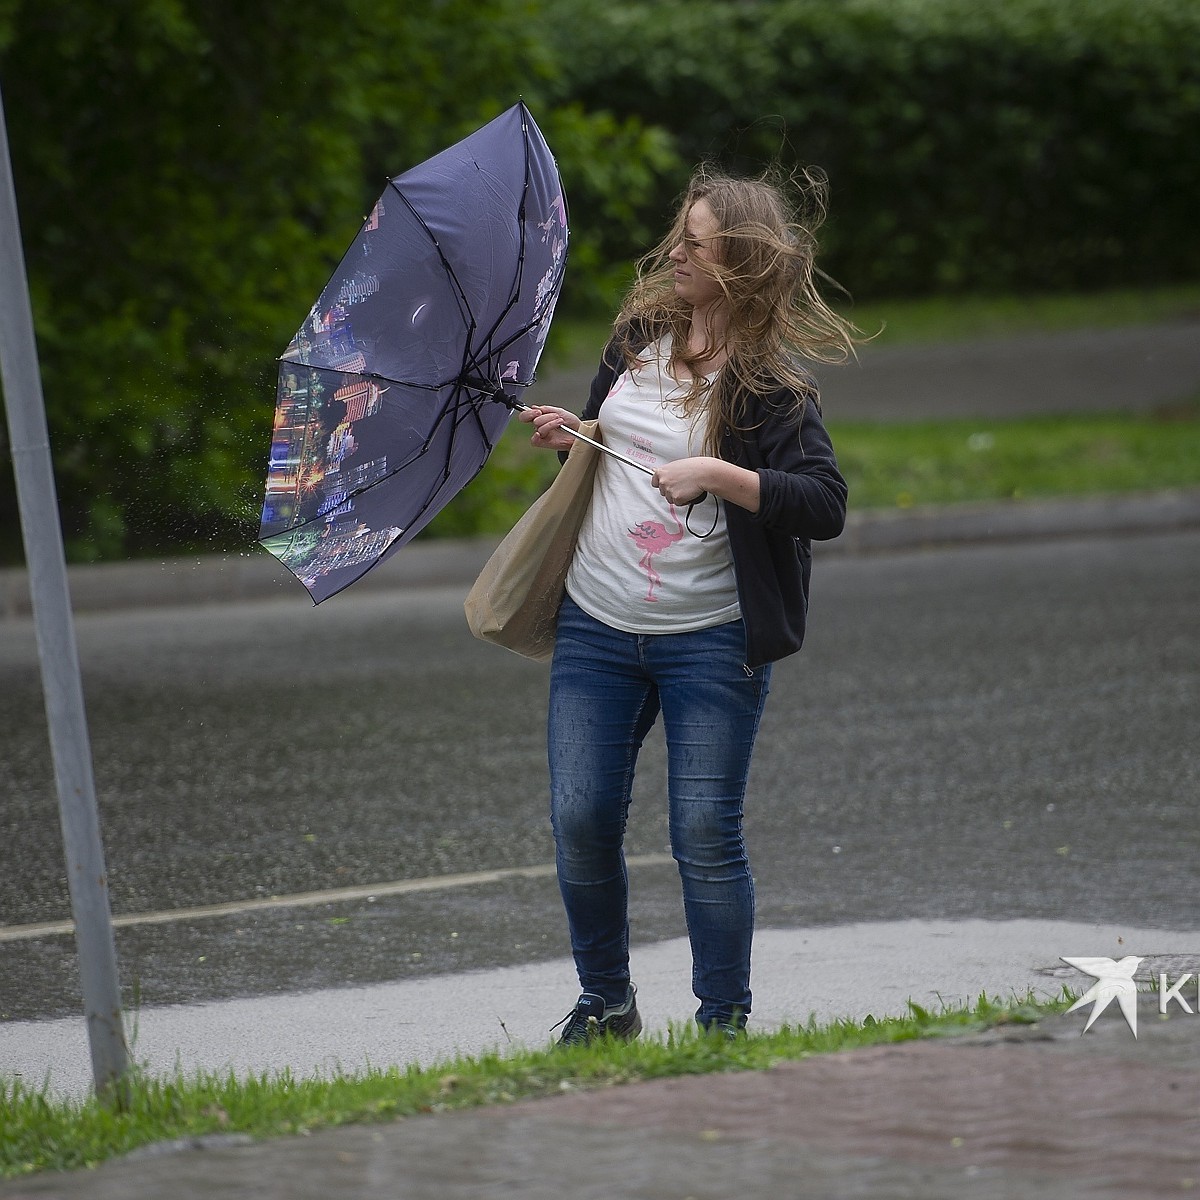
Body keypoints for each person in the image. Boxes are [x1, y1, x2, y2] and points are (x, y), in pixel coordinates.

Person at [518, 165, 859, 1044]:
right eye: (681, 235)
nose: (676, 252)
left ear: (737, 263)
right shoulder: (635, 338)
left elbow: (825, 504)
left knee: (705, 831)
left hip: (712, 639)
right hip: (597, 624)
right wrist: (574, 438)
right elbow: (611, 460)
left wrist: (718, 474)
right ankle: (607, 1005)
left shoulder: (770, 389)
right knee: (581, 818)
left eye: (696, 244)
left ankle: (723, 1023)